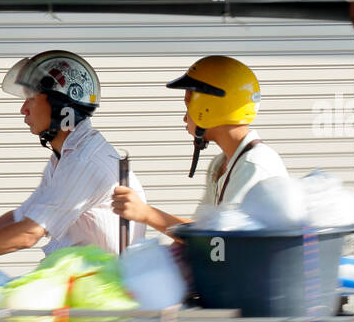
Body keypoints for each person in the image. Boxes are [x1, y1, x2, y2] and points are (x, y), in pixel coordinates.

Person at [0, 50, 145, 261]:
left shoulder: (83, 162)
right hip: (78, 284)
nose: (23, 109)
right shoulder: (65, 158)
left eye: (31, 97)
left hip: (96, 297)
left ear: (61, 106)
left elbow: (27, 234)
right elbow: (20, 217)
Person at [111, 55, 288, 232]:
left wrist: (146, 214)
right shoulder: (221, 163)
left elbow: (218, 241)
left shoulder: (253, 165)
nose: (184, 118)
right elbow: (201, 231)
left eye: (188, 107)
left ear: (208, 107)